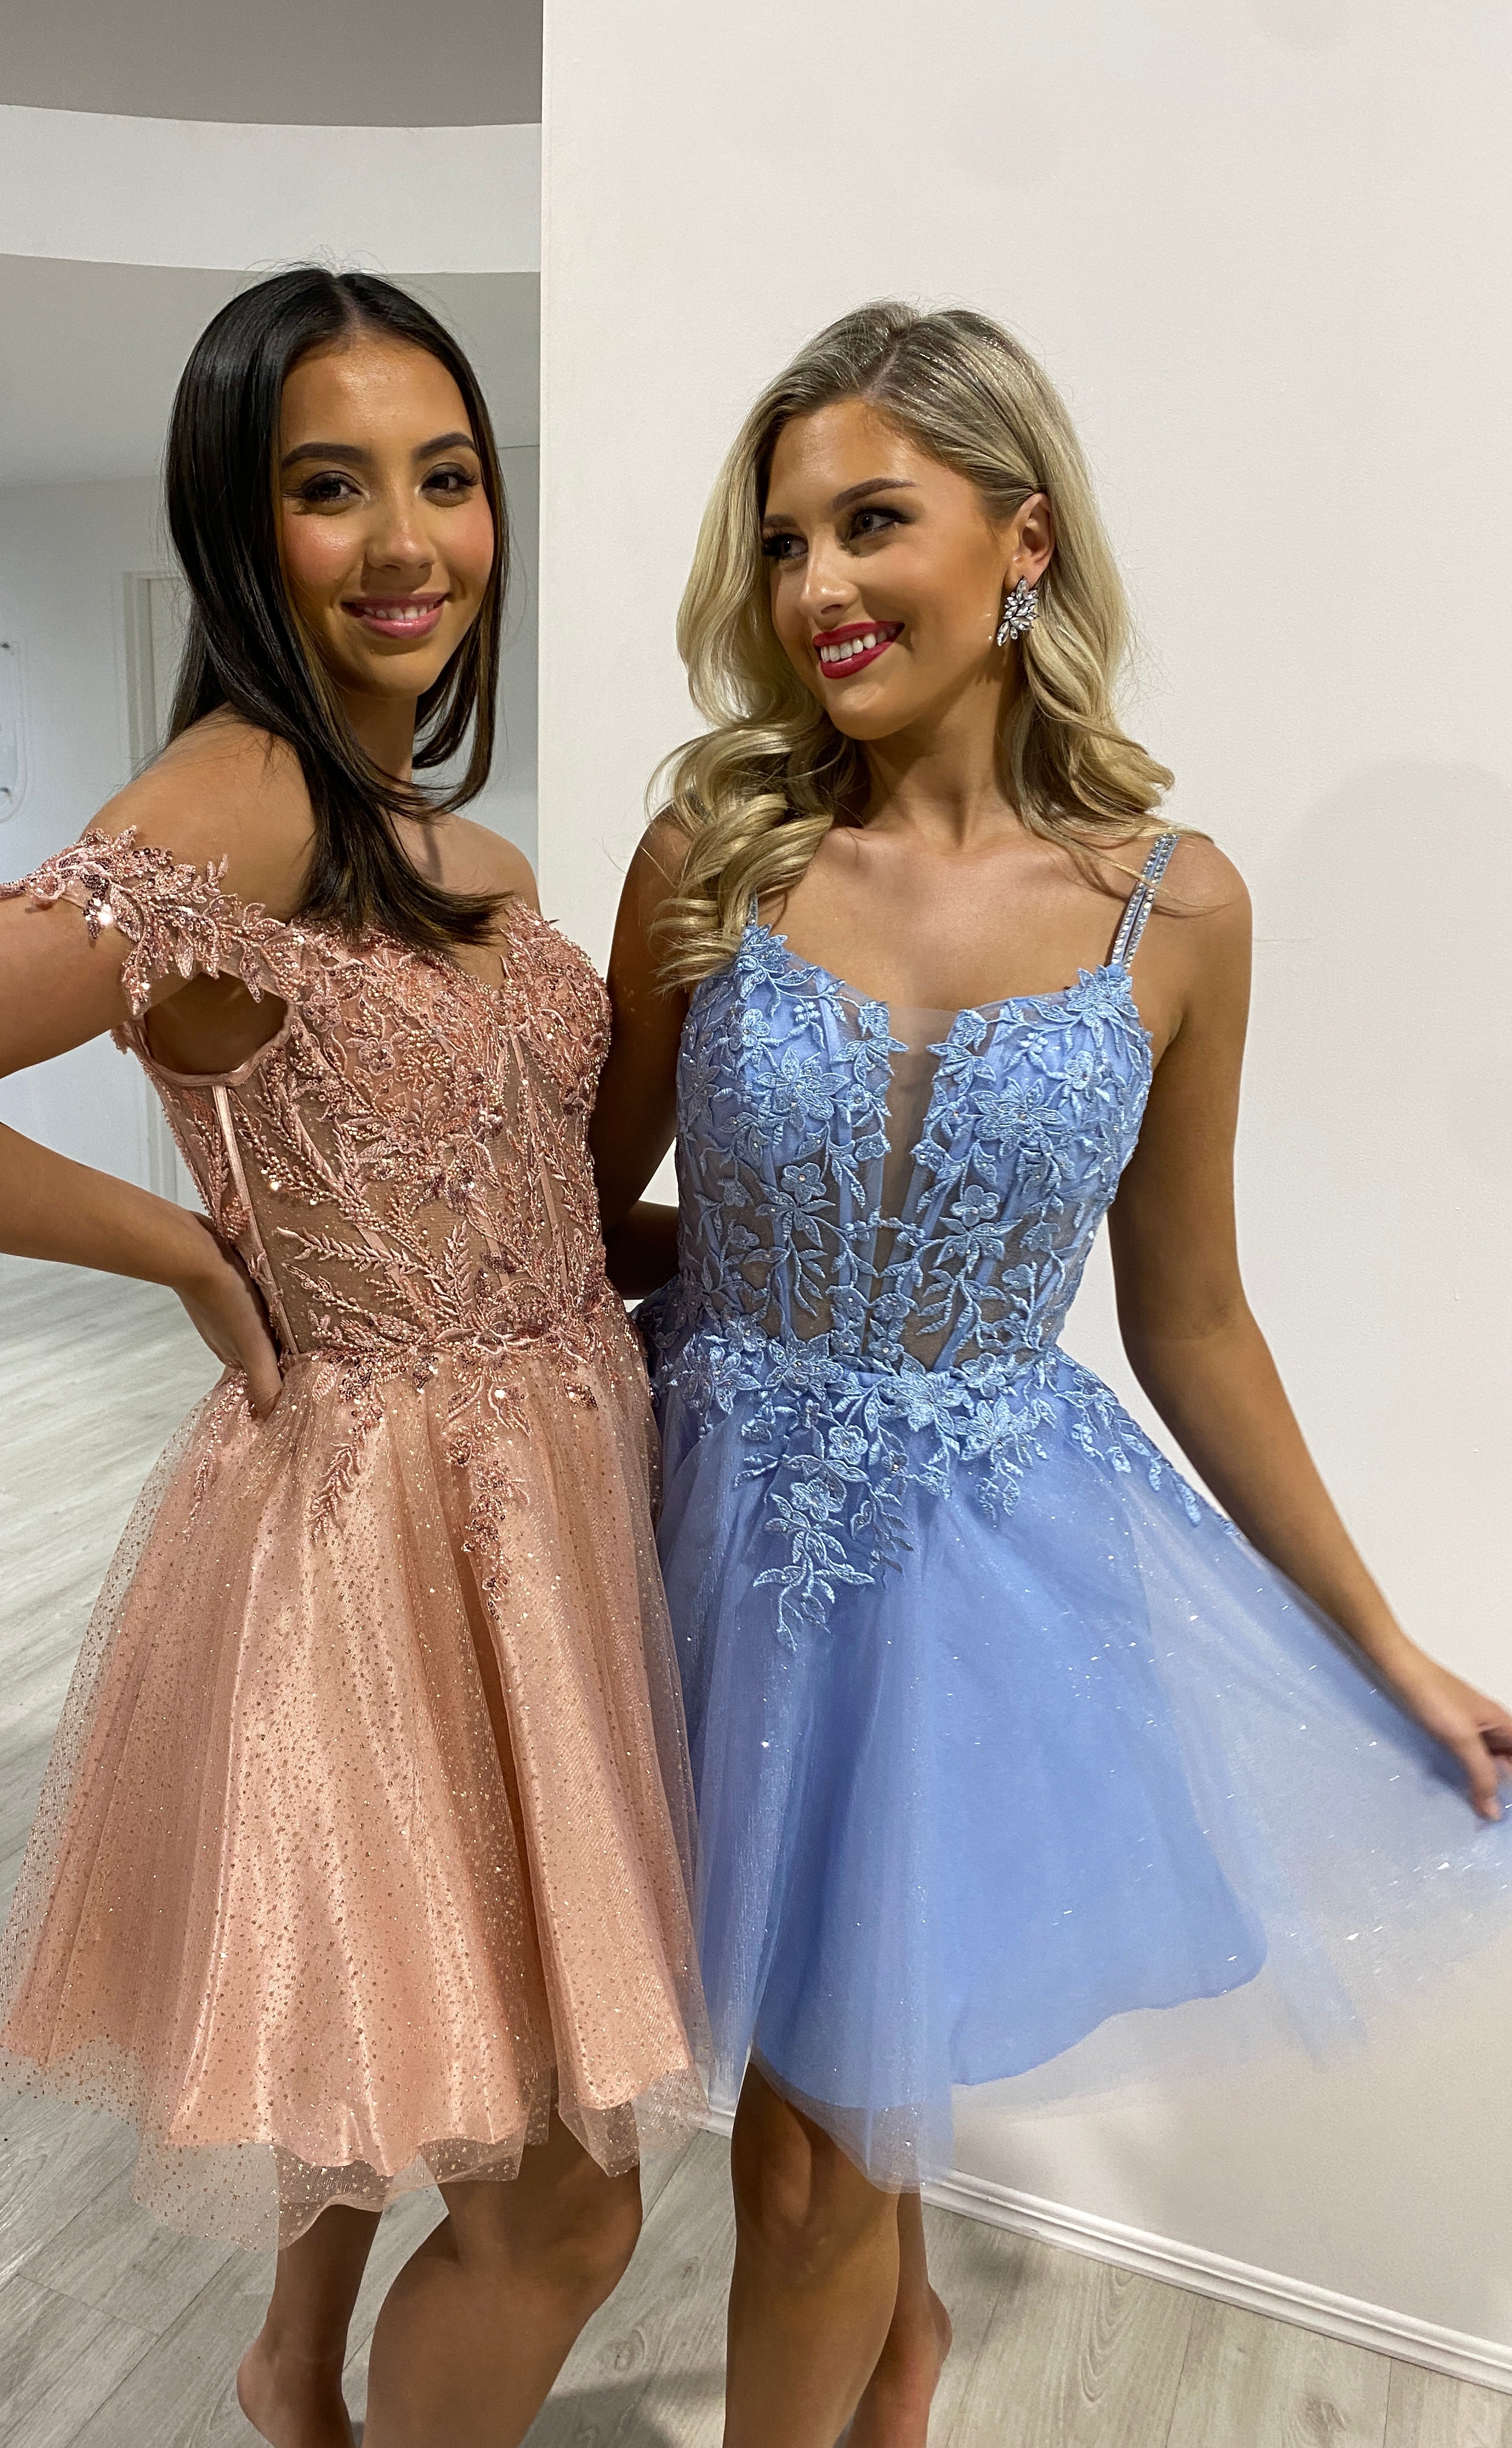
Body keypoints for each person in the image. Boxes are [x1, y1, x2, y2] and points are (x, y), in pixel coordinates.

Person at [0, 267, 707, 2448]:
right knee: (565, 2207)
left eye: (446, 477)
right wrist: (179, 1246)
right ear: (235, 531)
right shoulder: (237, 801)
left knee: (400, 1994)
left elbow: (496, 1185)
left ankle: (290, 2366)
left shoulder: (456, 849)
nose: (409, 542)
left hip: (541, 1489)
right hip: (398, 1519)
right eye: (327, 488)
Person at [590, 300, 1512, 2448]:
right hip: (701, 1549)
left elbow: (1189, 1313)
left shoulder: (1172, 913)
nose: (818, 585)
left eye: (874, 523)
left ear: (1022, 543)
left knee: (818, 2149)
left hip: (977, 1602)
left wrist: (1377, 1639)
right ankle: (897, 2373)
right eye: (788, 537)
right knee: (813, 2135)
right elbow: (572, 1209)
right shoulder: (710, 859)